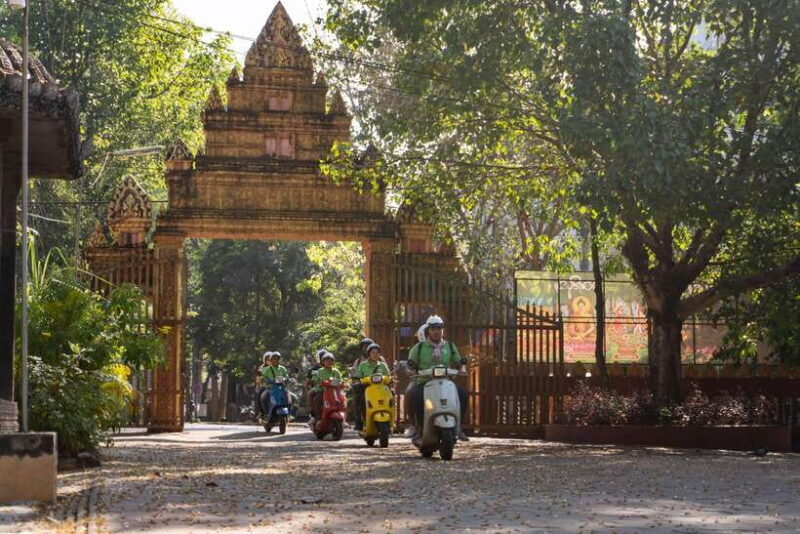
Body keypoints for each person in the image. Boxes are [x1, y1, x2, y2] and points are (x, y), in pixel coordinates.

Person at [406, 315, 469, 441]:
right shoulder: (418, 348)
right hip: (425, 382)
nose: (437, 331)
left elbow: (459, 361)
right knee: (415, 395)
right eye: (433, 328)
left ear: (443, 330)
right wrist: (411, 371)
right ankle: (419, 429)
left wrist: (462, 368)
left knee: (463, 394)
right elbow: (410, 365)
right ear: (428, 330)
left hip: (445, 383)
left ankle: (459, 427)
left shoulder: (450, 346)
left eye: (439, 328)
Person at [353, 343, 391, 429]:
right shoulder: (363, 365)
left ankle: (391, 420)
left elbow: (388, 376)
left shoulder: (383, 365)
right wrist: (357, 379)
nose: (375, 355)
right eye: (373, 352)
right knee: (362, 400)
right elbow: (358, 376)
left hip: (381, 389)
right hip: (367, 389)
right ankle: (362, 421)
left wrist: (391, 379)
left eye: (377, 353)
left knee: (390, 397)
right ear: (369, 354)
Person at [309, 352, 343, 425]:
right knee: (317, 399)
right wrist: (318, 382)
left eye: (331, 360)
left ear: (333, 362)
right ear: (323, 362)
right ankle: (316, 418)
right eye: (327, 360)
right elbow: (314, 379)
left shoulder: (336, 371)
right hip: (322, 390)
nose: (329, 362)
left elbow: (341, 380)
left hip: (334, 391)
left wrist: (343, 384)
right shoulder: (319, 371)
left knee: (342, 399)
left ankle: (343, 419)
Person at [260, 352, 289, 417]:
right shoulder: (267, 369)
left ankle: (289, 414)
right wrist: (270, 381)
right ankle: (266, 414)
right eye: (274, 359)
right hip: (271, 388)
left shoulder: (282, 368)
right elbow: (263, 379)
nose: (276, 360)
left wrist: (286, 379)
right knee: (263, 397)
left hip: (282, 388)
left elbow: (287, 377)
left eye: (277, 359)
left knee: (289, 397)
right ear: (271, 360)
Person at [255, 351, 272, 418]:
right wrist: (261, 380)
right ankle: (261, 412)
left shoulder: (276, 367)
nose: (269, 361)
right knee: (260, 395)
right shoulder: (262, 368)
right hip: (265, 386)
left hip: (275, 386)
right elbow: (258, 377)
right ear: (265, 360)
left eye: (270, 359)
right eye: (267, 359)